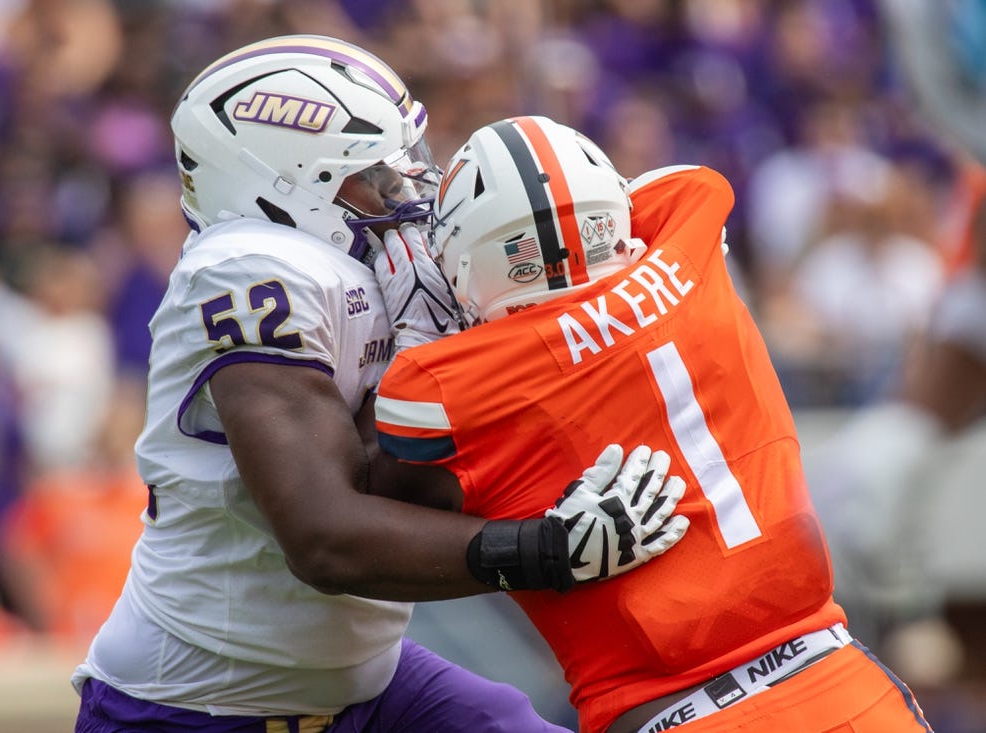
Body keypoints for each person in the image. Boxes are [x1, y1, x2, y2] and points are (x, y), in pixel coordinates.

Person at [71, 36, 691, 733]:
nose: (410, 192)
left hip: (368, 682)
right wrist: (546, 548)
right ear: (287, 186)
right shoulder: (249, 271)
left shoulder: (366, 266)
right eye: (377, 174)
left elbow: (391, 478)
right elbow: (326, 538)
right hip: (197, 706)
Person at [370, 115, 934, 733]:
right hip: (846, 681)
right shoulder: (691, 220)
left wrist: (423, 334)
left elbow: (373, 520)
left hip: (676, 715)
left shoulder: (441, 385)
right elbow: (656, 193)